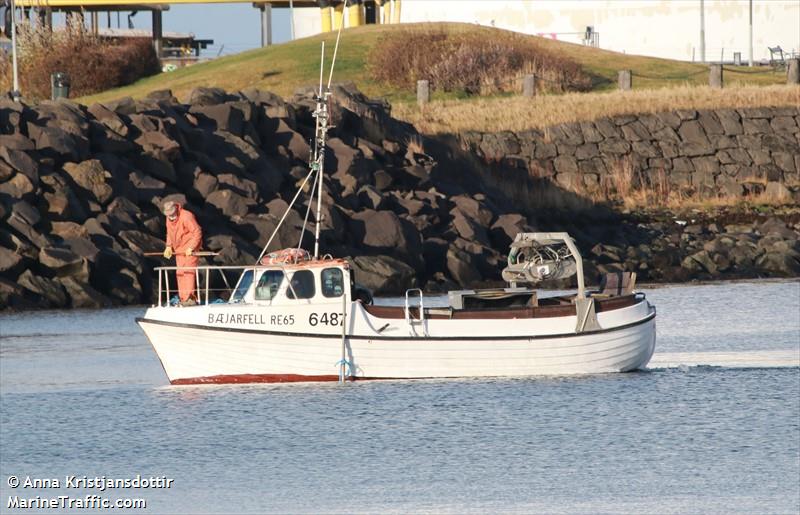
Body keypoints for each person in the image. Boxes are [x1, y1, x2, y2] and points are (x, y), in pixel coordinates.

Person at [162, 201, 203, 306]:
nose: (170, 217)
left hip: (190, 249)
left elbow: (197, 232)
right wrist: (168, 246)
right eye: (168, 215)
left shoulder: (186, 216)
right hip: (179, 249)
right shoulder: (168, 218)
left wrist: (191, 248)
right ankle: (183, 298)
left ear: (176, 209)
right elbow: (169, 233)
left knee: (188, 272)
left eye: (171, 214)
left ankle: (190, 298)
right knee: (179, 273)